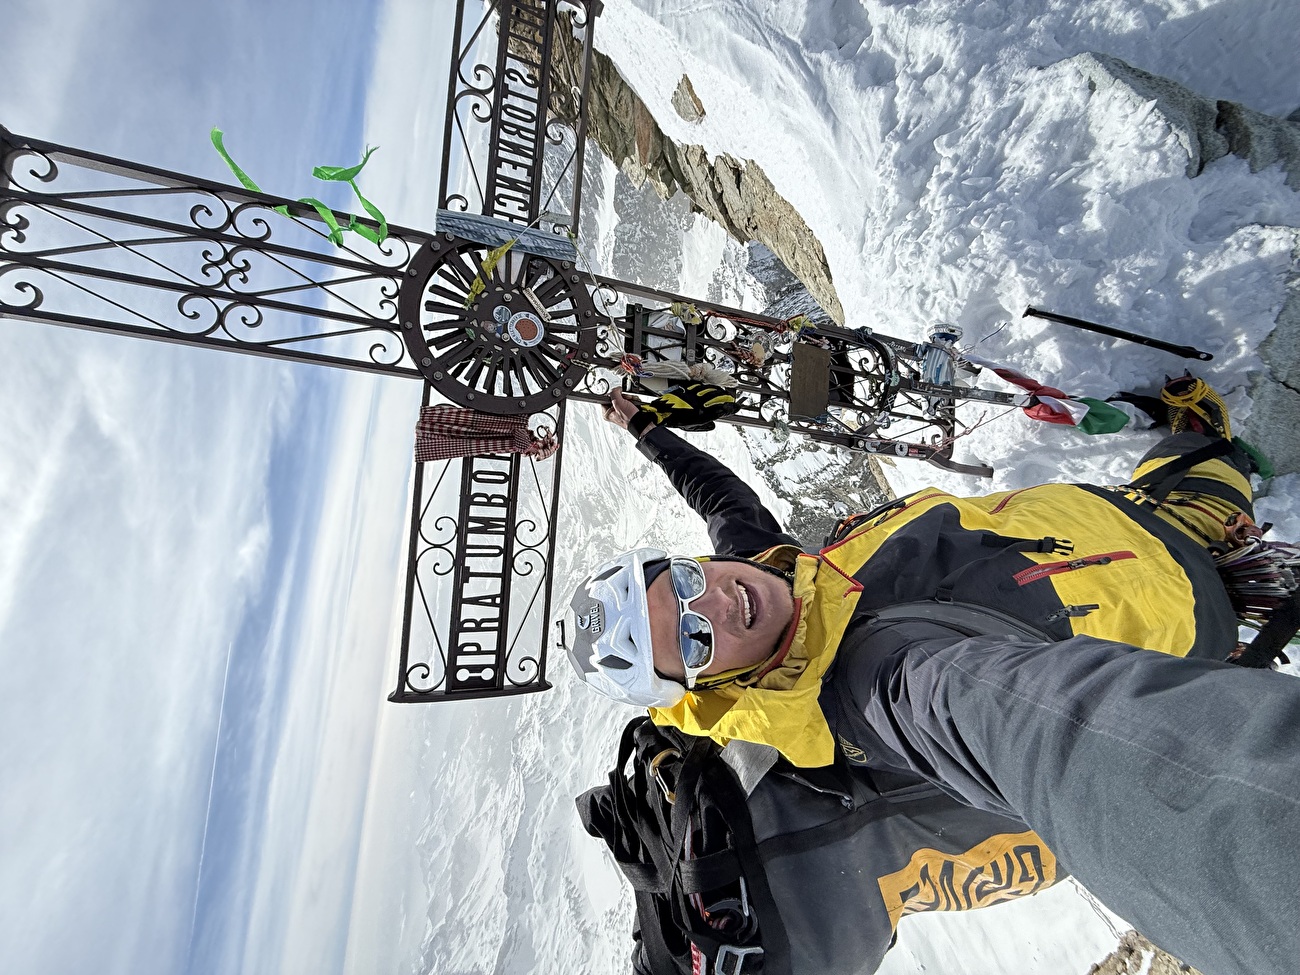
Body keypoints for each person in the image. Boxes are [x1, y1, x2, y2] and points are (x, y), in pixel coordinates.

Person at [566, 380, 1300, 975]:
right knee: (1216, 474)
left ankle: (1202, 450)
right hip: (1189, 607)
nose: (716, 601)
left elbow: (726, 505)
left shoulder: (773, 578)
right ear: (705, 687)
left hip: (1118, 518)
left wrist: (650, 433)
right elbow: (1049, 733)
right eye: (692, 637)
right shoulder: (877, 686)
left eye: (686, 579)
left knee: (1206, 455)